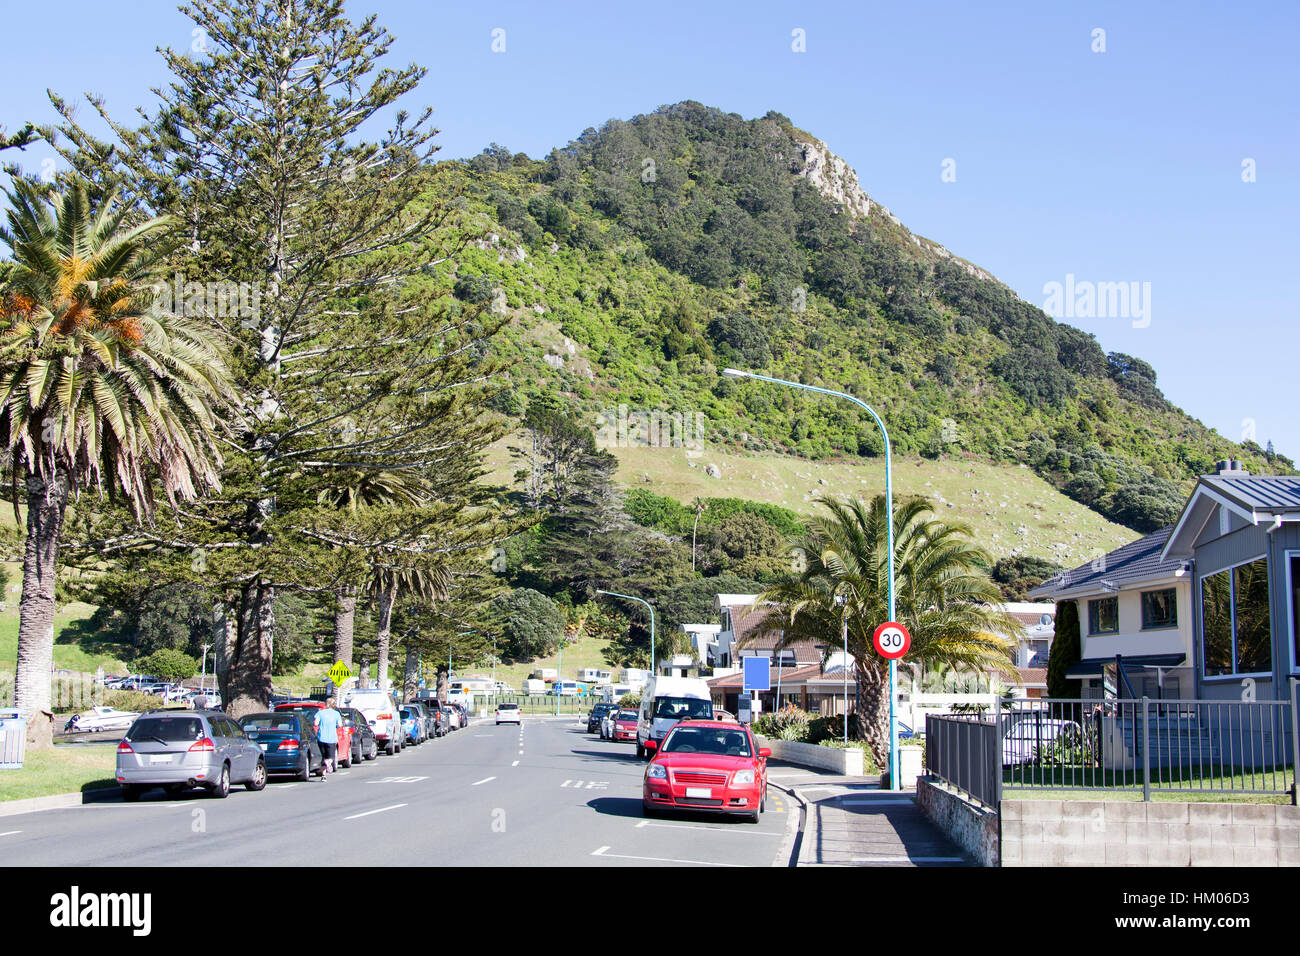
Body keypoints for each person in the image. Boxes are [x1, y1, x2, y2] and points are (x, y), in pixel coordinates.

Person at [313, 696, 344, 778]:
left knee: (323, 757)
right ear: (333, 705)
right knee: (330, 757)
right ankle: (328, 764)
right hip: (331, 738)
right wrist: (336, 726)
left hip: (321, 737)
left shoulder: (320, 713)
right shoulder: (336, 714)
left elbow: (316, 723)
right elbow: (340, 725)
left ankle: (323, 776)